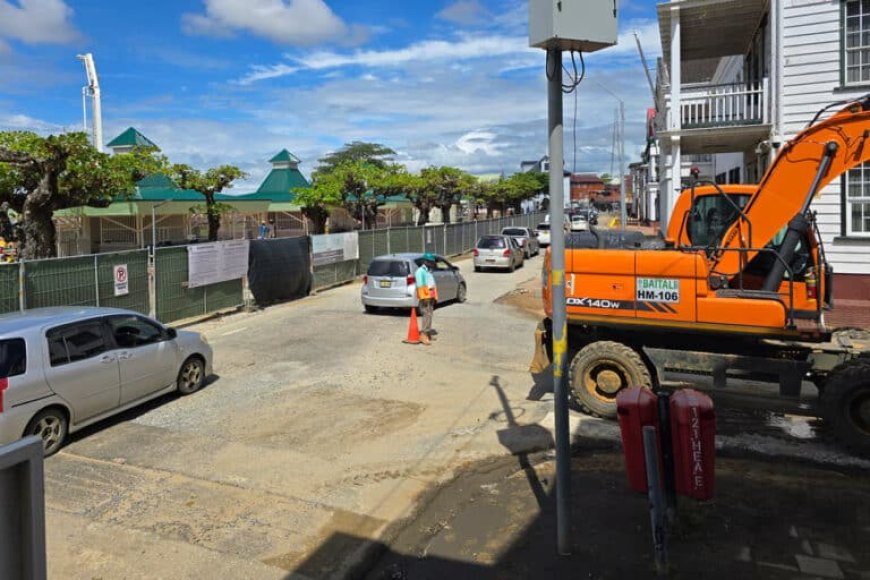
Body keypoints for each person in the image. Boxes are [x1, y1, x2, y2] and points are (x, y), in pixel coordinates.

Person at [414, 253, 438, 346]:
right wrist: (425, 298)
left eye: (432, 262)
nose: (432, 264)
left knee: (430, 315)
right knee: (426, 316)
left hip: (430, 296)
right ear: (425, 262)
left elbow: (431, 284)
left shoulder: (428, 271)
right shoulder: (420, 271)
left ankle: (428, 333)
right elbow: (420, 286)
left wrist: (434, 296)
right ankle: (423, 335)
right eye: (431, 262)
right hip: (425, 298)